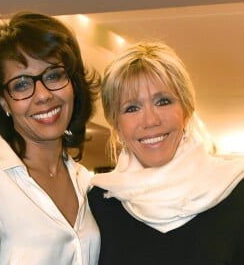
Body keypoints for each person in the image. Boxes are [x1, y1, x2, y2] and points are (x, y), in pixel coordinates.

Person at [0, 11, 101, 265]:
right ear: (2, 100)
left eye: (53, 75)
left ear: (72, 83)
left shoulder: (86, 182)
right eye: (21, 84)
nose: (42, 95)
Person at [88, 41, 244, 265]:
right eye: (132, 108)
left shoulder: (236, 192)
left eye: (163, 101)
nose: (151, 120)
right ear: (117, 124)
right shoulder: (98, 205)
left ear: (186, 111)